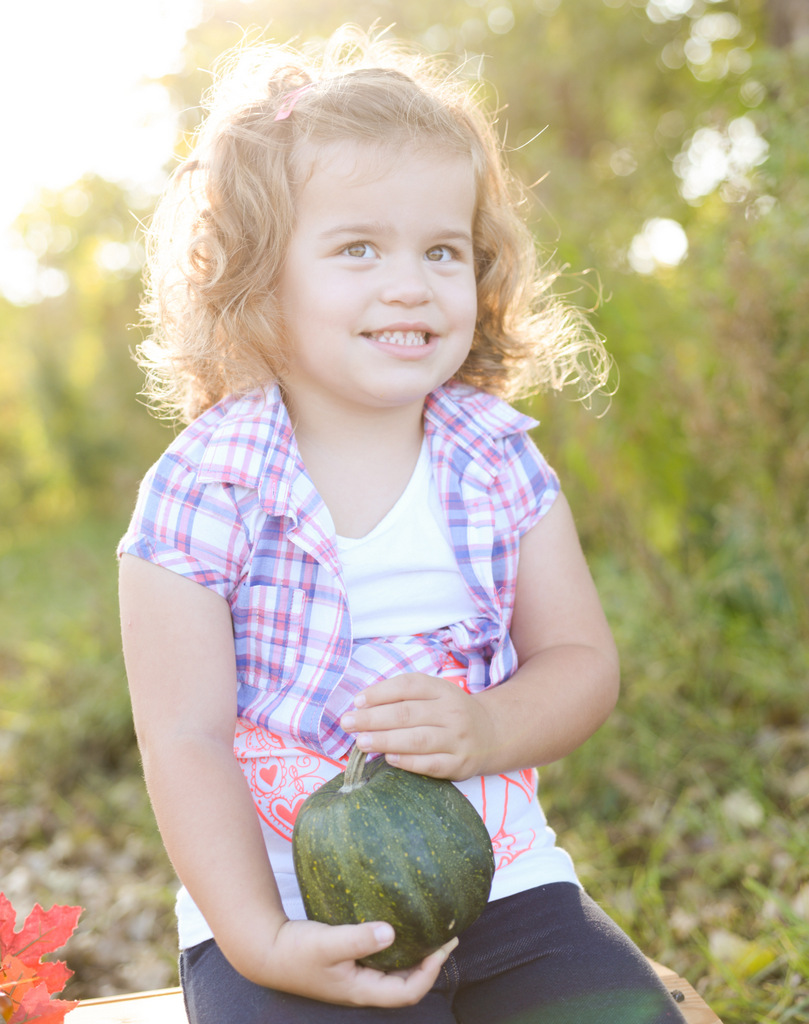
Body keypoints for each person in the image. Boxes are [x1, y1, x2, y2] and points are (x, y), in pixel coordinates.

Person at [117, 26, 687, 1024]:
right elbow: (185, 737)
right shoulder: (202, 490)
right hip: (292, 911)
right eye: (356, 249)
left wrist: (489, 726)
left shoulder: (497, 458)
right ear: (256, 278)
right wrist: (262, 939)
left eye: (441, 250)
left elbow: (577, 659)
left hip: (506, 887)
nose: (409, 283)